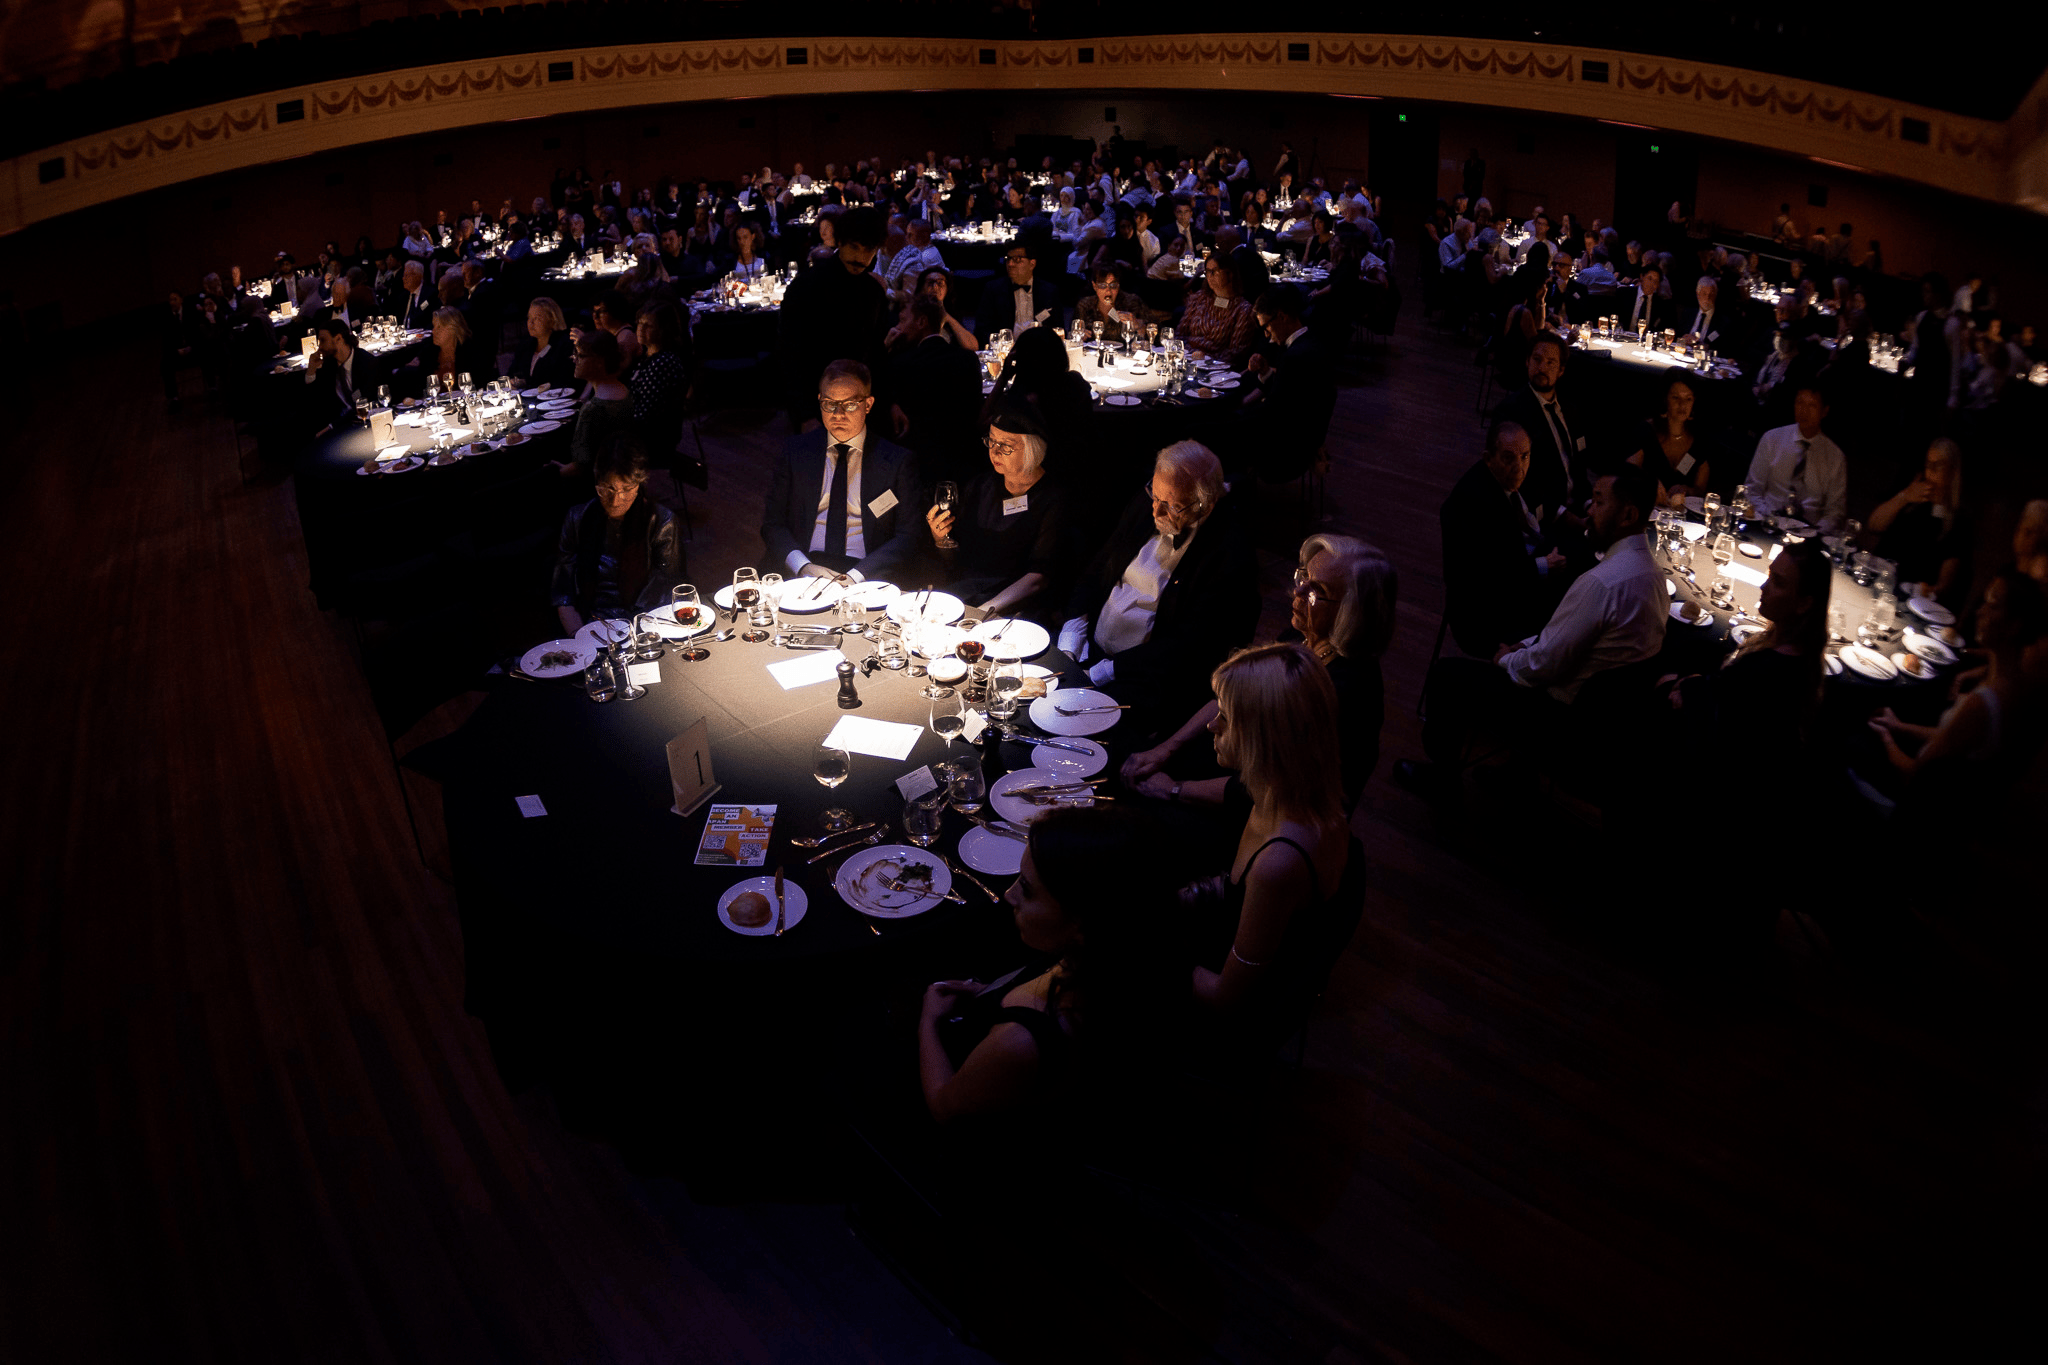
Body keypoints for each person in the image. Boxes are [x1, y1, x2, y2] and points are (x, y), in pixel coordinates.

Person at [917, 806, 1183, 1125]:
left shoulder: (1020, 1042)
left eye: (1028, 890)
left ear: (1082, 923)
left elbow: (943, 1106)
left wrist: (928, 1023)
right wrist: (991, 991)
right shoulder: (1108, 960)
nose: (1009, 894)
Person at [1406, 466, 1665, 788]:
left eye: (1599, 502)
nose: (1590, 510)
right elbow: (1564, 646)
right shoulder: (1655, 577)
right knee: (1522, 639)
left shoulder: (1602, 583)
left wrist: (1505, 659)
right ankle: (1518, 776)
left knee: (1446, 676)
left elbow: (1544, 666)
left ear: (1627, 515)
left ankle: (1441, 780)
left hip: (1560, 722)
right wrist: (1526, 646)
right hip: (1605, 720)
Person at [1123, 534, 1393, 813]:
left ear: (1352, 612)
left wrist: (1174, 790)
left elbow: (1272, 788)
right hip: (1234, 756)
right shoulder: (1301, 637)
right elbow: (1230, 696)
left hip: (1263, 808)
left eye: (1315, 591)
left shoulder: (1344, 693)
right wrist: (1166, 749)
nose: (1297, 592)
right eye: (1303, 577)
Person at [1189, 644, 1360, 1030]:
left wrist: (1139, 949)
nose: (1211, 725)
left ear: (1264, 738)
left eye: (1227, 718)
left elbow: (1225, 998)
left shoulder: (1278, 862)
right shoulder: (1283, 790)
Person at [1058, 442, 1259, 720]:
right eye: (1155, 495)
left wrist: (1101, 672)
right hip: (1088, 653)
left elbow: (1190, 645)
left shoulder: (1230, 555)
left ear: (1208, 503)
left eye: (1173, 506)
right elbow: (1097, 571)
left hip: (1148, 682)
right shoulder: (1148, 503)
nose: (1156, 513)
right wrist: (1070, 642)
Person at [1869, 569, 2048, 777]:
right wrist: (1897, 726)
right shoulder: (2014, 684)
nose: (1980, 612)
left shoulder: (1982, 703)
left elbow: (1913, 775)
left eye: (1992, 605)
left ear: (2016, 626)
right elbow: (1951, 736)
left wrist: (1885, 737)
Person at [760, 358, 925, 583]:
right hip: (804, 564)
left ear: (868, 404)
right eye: (829, 404)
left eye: (849, 404)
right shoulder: (795, 452)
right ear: (819, 401)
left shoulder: (898, 461)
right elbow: (772, 524)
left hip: (866, 571)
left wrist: (857, 576)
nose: (838, 414)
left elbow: (909, 535)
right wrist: (802, 566)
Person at [1665, 541, 1830, 754]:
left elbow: (1720, 715)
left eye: (1778, 582)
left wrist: (1685, 688)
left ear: (1804, 603)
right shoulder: (1801, 650)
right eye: (1769, 575)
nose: (1763, 586)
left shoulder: (1765, 671)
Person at [924, 403, 1071, 620]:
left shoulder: (1053, 499)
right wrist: (941, 539)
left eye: (1006, 446)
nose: (995, 451)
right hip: (969, 594)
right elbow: (957, 560)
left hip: (1016, 606)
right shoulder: (980, 486)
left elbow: (1039, 577)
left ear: (1032, 449)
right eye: (991, 441)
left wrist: (985, 610)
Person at [1441, 421, 1567, 658]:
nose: (1519, 468)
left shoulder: (1509, 475)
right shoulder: (1474, 505)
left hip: (1513, 578)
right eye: (1508, 458)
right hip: (1483, 613)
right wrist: (1542, 566)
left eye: (1525, 456)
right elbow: (1485, 575)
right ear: (1488, 458)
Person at [550, 439, 686, 634]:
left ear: (639, 485)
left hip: (645, 624)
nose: (616, 501)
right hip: (591, 623)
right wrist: (578, 636)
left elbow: (667, 591)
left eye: (627, 489)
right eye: (608, 489)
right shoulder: (577, 518)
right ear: (597, 481)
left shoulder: (662, 522)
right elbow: (564, 589)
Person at [777, 205, 889, 421]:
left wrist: (889, 402)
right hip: (816, 400)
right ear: (839, 242)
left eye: (868, 250)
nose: (861, 258)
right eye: (854, 247)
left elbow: (879, 353)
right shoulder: (806, 286)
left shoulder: (874, 291)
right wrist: (805, 415)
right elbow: (790, 355)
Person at [1238, 284, 1336, 483]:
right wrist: (1265, 372)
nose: (1267, 337)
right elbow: (1289, 394)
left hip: (1288, 448)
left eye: (1266, 328)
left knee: (1220, 432)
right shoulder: (1311, 342)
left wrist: (1237, 414)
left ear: (1282, 316)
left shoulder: (1296, 356)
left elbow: (1274, 410)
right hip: (1303, 436)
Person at [1491, 335, 1589, 531]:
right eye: (1537, 360)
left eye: (1551, 362)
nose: (1542, 367)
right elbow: (1516, 480)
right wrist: (1564, 516)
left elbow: (1579, 466)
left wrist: (1589, 504)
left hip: (1578, 508)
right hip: (1541, 518)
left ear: (1561, 370)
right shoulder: (1511, 413)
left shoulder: (1570, 410)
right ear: (1527, 362)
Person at [884, 295, 984, 485]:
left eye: (903, 320)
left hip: (919, 465)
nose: (898, 327)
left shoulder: (901, 363)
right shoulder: (967, 359)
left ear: (921, 322)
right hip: (966, 461)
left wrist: (886, 349)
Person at [1870, 438, 1972, 606]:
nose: (1929, 472)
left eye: (1937, 466)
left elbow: (1945, 584)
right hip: (1880, 580)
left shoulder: (1959, 523)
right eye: (1928, 464)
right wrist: (1903, 497)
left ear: (1953, 472)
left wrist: (1930, 591)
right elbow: (1874, 525)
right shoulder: (1912, 497)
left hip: (1911, 600)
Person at [1743, 385, 1847, 532]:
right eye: (1800, 403)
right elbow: (1752, 489)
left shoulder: (1835, 457)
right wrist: (1769, 518)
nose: (1804, 411)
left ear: (1824, 411)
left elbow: (1835, 511)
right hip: (1768, 519)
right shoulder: (1772, 438)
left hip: (1810, 529)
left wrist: (1815, 531)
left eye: (1812, 405)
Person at [554, 329, 634, 476]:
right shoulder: (623, 390)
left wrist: (552, 472)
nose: (574, 359)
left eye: (581, 355)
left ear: (599, 362)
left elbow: (580, 467)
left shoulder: (594, 409)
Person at [1629, 376, 1716, 502]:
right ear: (1664, 400)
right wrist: (1648, 482)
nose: (1682, 404)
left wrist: (1688, 490)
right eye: (1676, 398)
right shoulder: (1646, 432)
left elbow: (1700, 490)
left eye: (1688, 399)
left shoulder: (1699, 441)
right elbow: (1627, 473)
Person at [302, 319, 388, 436]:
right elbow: (315, 401)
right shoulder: (328, 364)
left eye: (323, 341)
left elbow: (364, 403)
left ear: (338, 338)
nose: (320, 346)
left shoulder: (366, 362)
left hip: (365, 424)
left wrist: (332, 426)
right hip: (338, 426)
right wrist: (311, 371)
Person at [627, 303, 691, 456]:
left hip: (653, 438)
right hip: (642, 430)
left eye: (648, 326)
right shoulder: (649, 357)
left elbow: (645, 416)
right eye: (640, 324)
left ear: (663, 330)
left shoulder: (662, 363)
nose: (640, 329)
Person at [1177, 251, 1258, 367]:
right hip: (1187, 360)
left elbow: (1236, 352)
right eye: (1207, 272)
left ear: (1229, 274)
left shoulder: (1243, 310)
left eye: (1213, 271)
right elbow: (1180, 333)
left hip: (1217, 368)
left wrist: (1206, 359)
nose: (1209, 276)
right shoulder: (1200, 298)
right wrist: (1189, 354)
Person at [975, 242, 1061, 345]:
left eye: (1017, 260)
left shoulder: (1049, 291)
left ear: (1032, 264)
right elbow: (982, 328)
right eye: (1008, 259)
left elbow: (1058, 328)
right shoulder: (993, 289)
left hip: (1040, 349)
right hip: (1005, 350)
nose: (1010, 264)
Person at [1071, 262, 1160, 345]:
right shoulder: (1085, 305)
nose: (1108, 290)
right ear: (1094, 286)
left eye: (1113, 286)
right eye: (1102, 286)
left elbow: (1158, 336)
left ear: (1118, 285)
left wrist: (1139, 326)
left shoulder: (1132, 302)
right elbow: (1071, 336)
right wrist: (1077, 336)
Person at [510, 297, 575, 388]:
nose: (531, 323)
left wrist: (527, 383)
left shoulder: (565, 345)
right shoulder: (525, 346)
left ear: (552, 321)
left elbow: (563, 381)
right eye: (529, 317)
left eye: (537, 318)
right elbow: (511, 374)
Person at [1622, 263, 1674, 336]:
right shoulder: (1625, 294)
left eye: (1656, 281)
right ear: (1642, 276)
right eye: (1650, 278)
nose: (1652, 284)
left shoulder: (1661, 304)